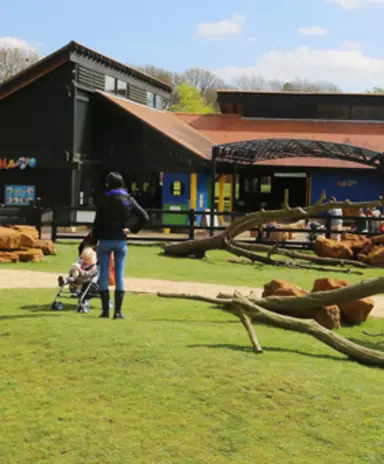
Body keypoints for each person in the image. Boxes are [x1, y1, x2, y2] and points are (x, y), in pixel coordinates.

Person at [92, 172, 149, 319]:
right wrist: (132, 230)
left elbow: (97, 223)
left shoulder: (104, 199)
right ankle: (118, 312)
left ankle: (105, 311)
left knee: (104, 275)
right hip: (120, 240)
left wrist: (93, 240)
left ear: (108, 184)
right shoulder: (128, 199)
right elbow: (144, 216)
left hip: (105, 240)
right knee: (119, 276)